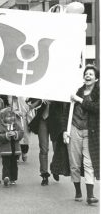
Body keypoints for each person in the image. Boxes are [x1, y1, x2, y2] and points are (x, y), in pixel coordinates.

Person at [63, 64, 99, 205]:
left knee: (89, 163)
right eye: (86, 73)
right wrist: (65, 130)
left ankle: (90, 195)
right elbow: (67, 112)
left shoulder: (98, 93)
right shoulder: (76, 92)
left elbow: (97, 108)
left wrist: (80, 100)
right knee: (75, 164)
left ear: (96, 79)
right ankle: (78, 191)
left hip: (91, 132)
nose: (88, 76)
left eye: (91, 74)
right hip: (74, 129)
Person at [29, 99, 64, 186]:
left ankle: (55, 167)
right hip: (43, 119)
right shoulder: (42, 87)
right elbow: (33, 101)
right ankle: (44, 175)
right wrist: (40, 99)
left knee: (57, 148)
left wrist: (53, 99)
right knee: (43, 148)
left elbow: (64, 102)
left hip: (56, 121)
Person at [0, 107, 24, 186]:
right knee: (6, 164)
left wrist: (15, 134)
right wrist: (6, 135)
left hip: (15, 149)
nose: (11, 118)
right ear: (3, 118)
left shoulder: (16, 125)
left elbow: (21, 132)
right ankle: (6, 177)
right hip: (6, 150)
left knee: (14, 164)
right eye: (8, 116)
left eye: (12, 116)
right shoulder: (1, 126)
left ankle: (13, 178)